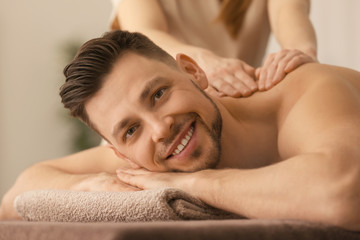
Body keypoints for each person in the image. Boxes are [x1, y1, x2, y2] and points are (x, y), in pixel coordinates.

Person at [1, 31, 359, 231]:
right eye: (129, 130)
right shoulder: (138, 157)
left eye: (158, 94)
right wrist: (92, 186)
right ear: (120, 155)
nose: (160, 129)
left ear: (193, 71)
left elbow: (343, 194)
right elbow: (18, 194)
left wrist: (190, 185)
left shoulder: (301, 92)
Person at [110, 0, 318, 97]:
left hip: (241, 102)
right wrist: (201, 61)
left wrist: (300, 53)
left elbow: (288, 12)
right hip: (165, 111)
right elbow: (144, 32)